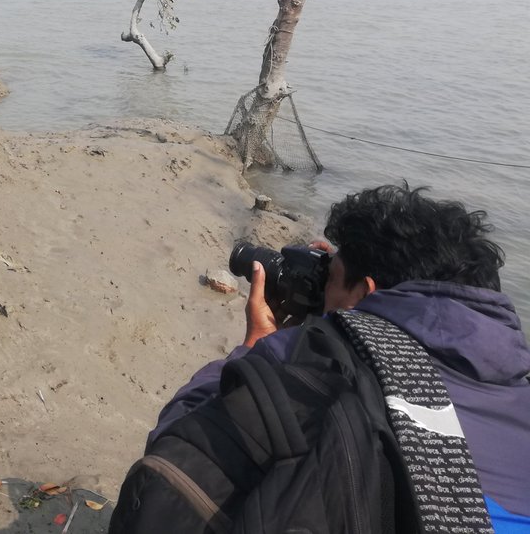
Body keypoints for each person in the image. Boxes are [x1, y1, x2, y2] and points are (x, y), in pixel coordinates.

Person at [113, 183, 530, 532]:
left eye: (330, 279)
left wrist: (257, 348)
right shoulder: (516, 383)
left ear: (366, 293)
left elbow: (178, 442)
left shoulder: (310, 363)